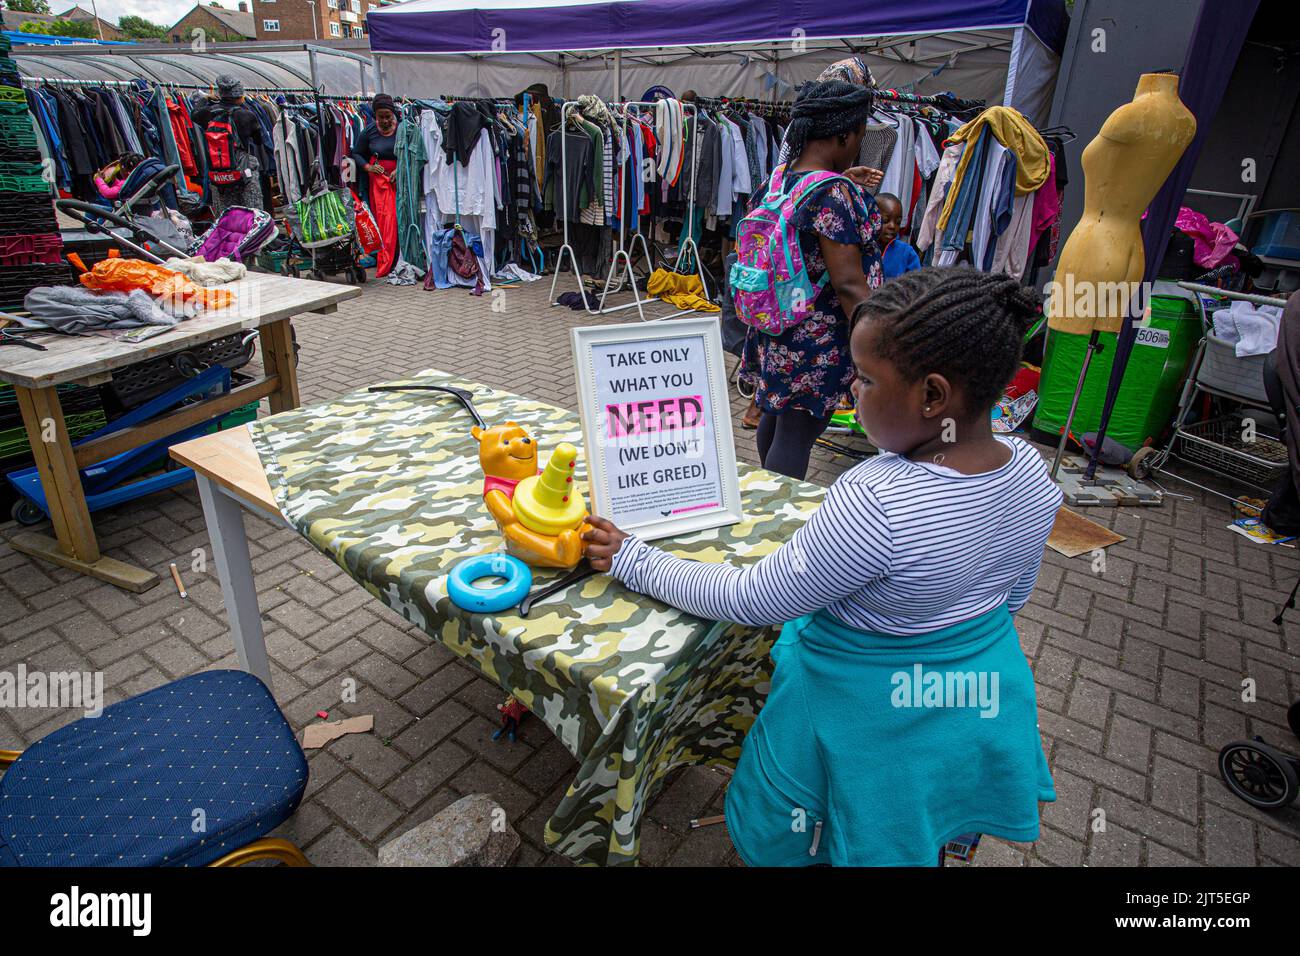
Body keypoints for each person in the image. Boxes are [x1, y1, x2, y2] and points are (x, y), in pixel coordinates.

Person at [585, 266, 1061, 866]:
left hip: (863, 719)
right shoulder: (1028, 469)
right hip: (977, 704)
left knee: (824, 830)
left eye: (864, 379)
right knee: (920, 822)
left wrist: (631, 557)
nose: (848, 392)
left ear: (933, 397)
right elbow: (1011, 598)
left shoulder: (877, 498)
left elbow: (750, 599)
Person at [736, 79, 883, 480]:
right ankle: (780, 522)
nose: (857, 145)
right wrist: (882, 343)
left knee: (778, 417)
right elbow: (849, 283)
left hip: (775, 325)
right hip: (815, 339)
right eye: (858, 136)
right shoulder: (833, 193)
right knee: (798, 433)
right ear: (842, 134)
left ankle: (767, 498)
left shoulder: (780, 179)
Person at [190, 75, 267, 218]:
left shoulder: (207, 114)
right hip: (244, 172)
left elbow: (193, 114)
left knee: (227, 218)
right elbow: (259, 140)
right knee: (253, 217)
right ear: (239, 95)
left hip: (219, 176)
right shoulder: (247, 115)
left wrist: (205, 99)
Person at [351, 93, 400, 278]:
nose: (385, 120)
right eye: (381, 117)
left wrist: (400, 168)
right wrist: (369, 167)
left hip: (398, 181)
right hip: (379, 184)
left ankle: (397, 257)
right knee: (385, 220)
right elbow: (356, 153)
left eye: (388, 116)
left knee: (398, 219)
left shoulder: (402, 129)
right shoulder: (369, 131)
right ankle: (385, 257)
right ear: (375, 116)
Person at [876, 192, 922, 279]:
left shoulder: (907, 252)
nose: (892, 226)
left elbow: (917, 283)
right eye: (885, 221)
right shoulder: (861, 248)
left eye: (898, 222)